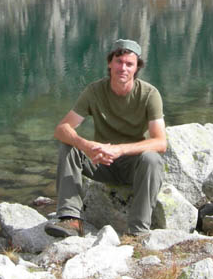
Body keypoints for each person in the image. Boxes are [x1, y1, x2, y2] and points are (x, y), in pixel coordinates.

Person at [45, 38, 167, 238]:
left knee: (152, 159)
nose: (123, 68)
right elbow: (62, 128)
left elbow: (160, 142)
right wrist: (86, 146)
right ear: (110, 63)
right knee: (68, 147)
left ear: (136, 68)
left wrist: (120, 150)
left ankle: (138, 231)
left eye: (129, 64)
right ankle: (70, 219)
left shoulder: (149, 95)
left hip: (132, 166)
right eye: (119, 62)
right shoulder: (94, 91)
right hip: (100, 162)